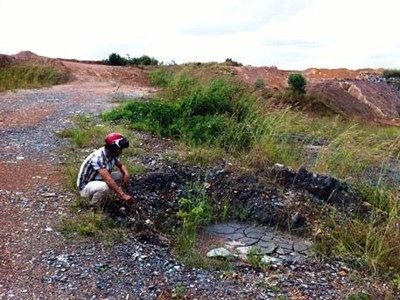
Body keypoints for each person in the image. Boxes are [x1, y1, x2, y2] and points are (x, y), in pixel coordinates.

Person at [77, 132, 133, 207]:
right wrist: (123, 195)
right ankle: (94, 206)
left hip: (98, 181)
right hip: (86, 188)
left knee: (120, 176)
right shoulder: (98, 158)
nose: (121, 152)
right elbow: (108, 179)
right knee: (103, 187)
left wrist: (126, 174)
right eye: (120, 149)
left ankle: (106, 195)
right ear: (113, 148)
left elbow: (121, 165)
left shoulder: (111, 154)